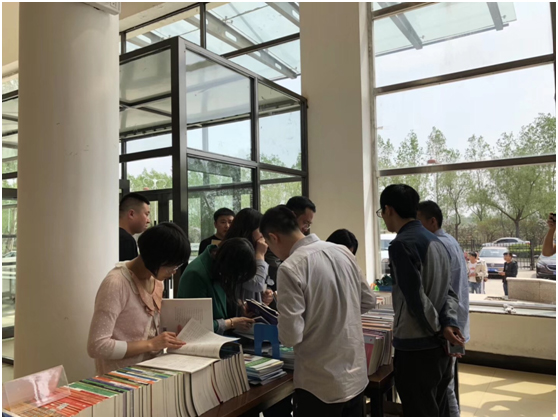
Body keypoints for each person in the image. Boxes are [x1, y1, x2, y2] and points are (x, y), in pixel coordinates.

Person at [260, 205, 376, 417]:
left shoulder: (290, 267)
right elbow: (368, 300)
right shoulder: (342, 251)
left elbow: (290, 336)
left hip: (319, 384)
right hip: (356, 378)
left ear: (273, 237)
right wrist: (339, 313)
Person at [378, 185, 464, 417]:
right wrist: (447, 323)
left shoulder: (401, 244)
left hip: (416, 348)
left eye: (381, 212)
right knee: (437, 408)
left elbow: (416, 299)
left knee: (419, 410)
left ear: (388, 209)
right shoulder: (437, 241)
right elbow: (449, 292)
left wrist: (437, 329)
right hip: (440, 350)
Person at [88, 223, 190, 375]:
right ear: (155, 258)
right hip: (120, 376)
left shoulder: (157, 281)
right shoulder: (116, 284)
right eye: (171, 265)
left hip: (153, 371)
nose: (174, 272)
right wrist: (150, 344)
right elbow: (97, 346)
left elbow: (151, 329)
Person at [417, 200, 470, 417]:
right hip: (455, 319)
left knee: (444, 388)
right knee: (447, 382)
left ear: (432, 221)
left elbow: (441, 290)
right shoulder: (450, 241)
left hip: (448, 323)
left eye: (418, 222)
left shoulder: (437, 245)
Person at [177, 238, 257, 335]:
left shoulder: (218, 266)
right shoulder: (196, 275)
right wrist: (231, 323)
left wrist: (239, 308)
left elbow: (221, 302)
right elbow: (194, 324)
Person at [223, 208, 274, 305]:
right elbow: (256, 284)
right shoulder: (235, 250)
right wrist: (260, 255)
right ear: (249, 230)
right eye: (260, 229)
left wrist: (266, 292)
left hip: (252, 308)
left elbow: (260, 282)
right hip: (238, 310)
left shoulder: (256, 248)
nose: (264, 234)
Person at [118, 193, 151, 262]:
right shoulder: (126, 240)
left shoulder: (110, 236)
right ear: (131, 214)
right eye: (146, 214)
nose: (148, 221)